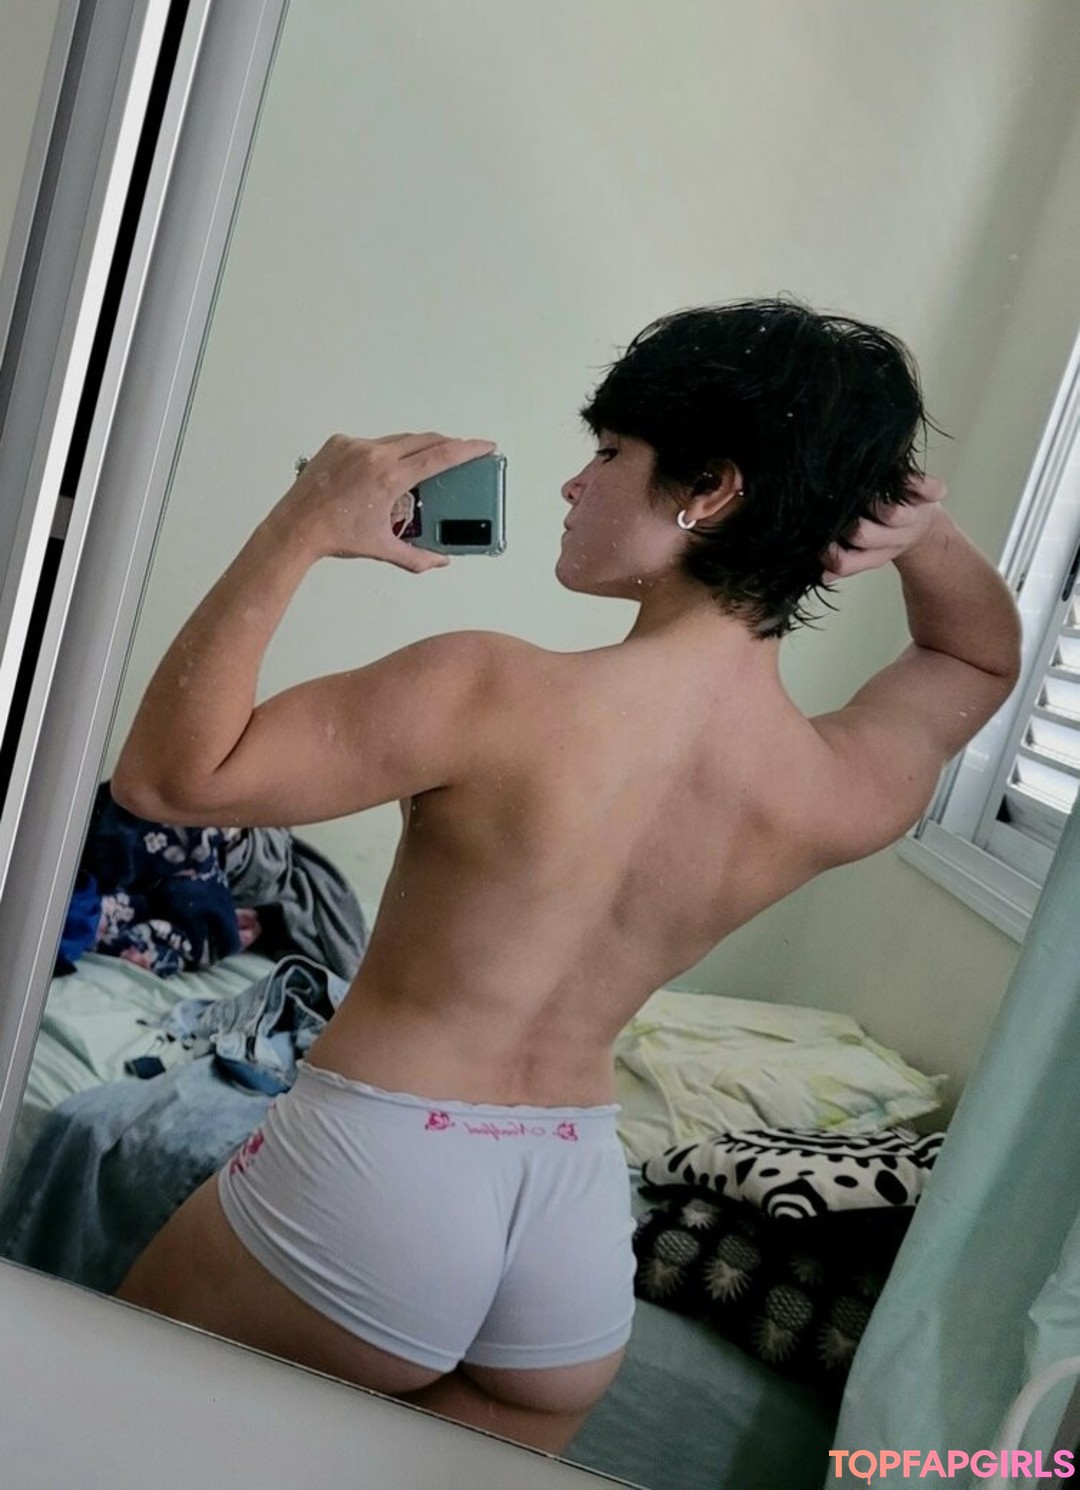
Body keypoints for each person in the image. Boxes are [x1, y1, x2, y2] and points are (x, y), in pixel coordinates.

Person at [112, 297, 1021, 1453]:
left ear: (710, 489)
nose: (573, 484)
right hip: (572, 1225)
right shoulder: (827, 782)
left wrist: (301, 523)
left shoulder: (490, 689)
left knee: (106, 1436)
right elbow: (976, 655)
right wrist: (918, 529)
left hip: (384, 1172)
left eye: (609, 452)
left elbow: (168, 780)